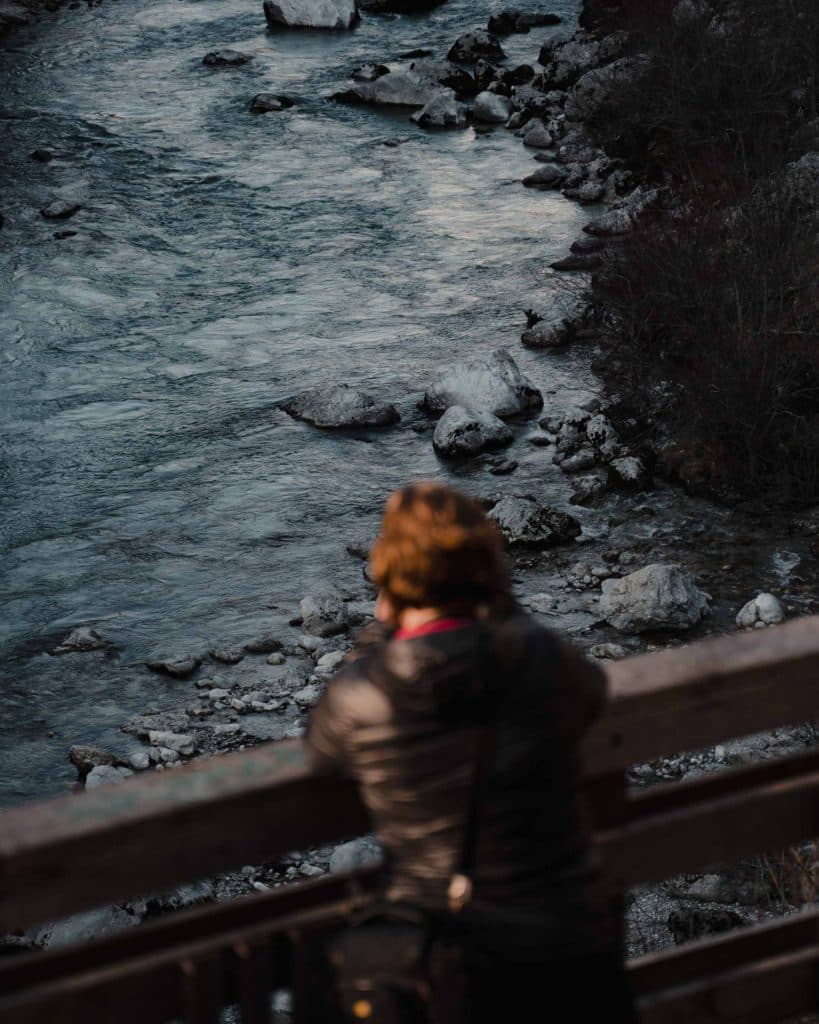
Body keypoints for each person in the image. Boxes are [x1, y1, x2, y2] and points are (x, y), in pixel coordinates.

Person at [306, 482, 637, 1022]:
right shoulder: (538, 654)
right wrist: (499, 602)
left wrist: (382, 630)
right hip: (572, 952)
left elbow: (321, 754)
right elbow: (591, 694)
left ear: (388, 576)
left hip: (452, 965)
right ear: (487, 567)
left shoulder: (360, 694)